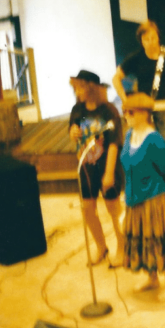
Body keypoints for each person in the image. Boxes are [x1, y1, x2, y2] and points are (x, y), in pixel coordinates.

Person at [112, 20, 165, 213]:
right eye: (146, 38)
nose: (150, 42)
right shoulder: (135, 58)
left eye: (153, 37)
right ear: (141, 41)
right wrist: (126, 100)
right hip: (144, 110)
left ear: (158, 36)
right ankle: (141, 191)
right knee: (137, 150)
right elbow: (116, 78)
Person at [119, 92, 165, 298]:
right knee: (142, 238)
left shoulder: (154, 139)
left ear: (143, 113)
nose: (127, 116)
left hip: (155, 198)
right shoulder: (128, 135)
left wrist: (154, 187)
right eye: (125, 112)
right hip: (134, 197)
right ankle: (152, 279)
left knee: (159, 238)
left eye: (130, 112)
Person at [69, 70, 124, 266]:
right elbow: (73, 131)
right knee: (87, 209)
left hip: (108, 164)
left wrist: (109, 173)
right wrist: (73, 132)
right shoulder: (77, 109)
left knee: (113, 209)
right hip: (86, 167)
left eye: (80, 87)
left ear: (91, 88)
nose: (77, 92)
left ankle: (122, 248)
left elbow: (114, 143)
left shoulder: (109, 110)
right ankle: (101, 247)